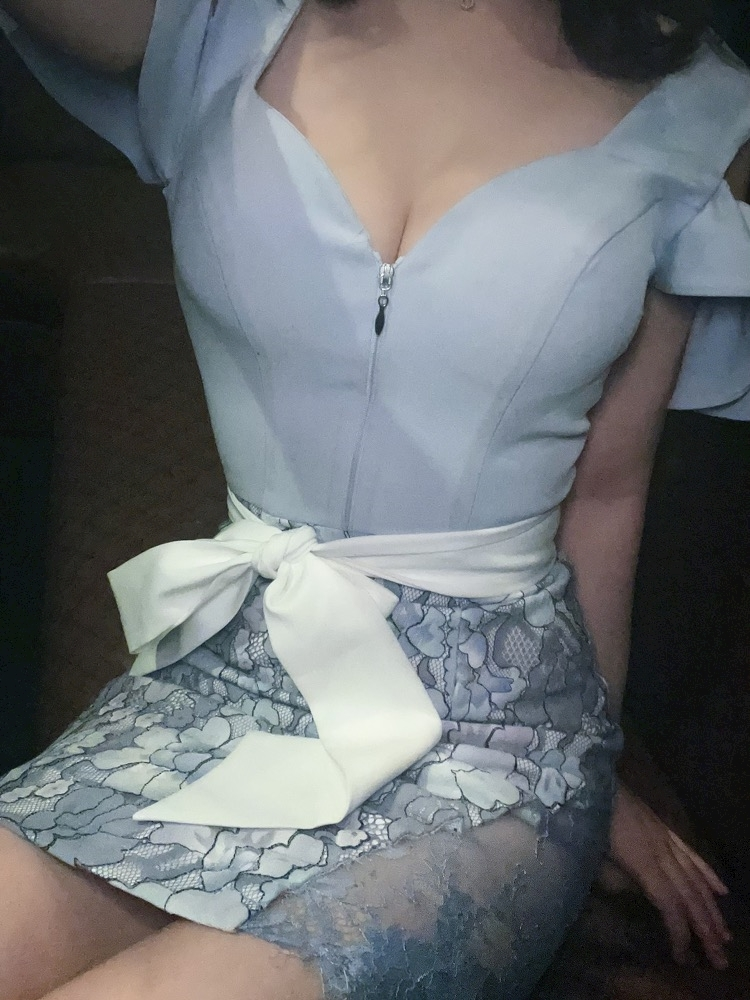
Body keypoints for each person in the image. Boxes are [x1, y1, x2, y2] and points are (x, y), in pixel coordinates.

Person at [0, 1, 748, 997]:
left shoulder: (695, 115)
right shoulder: (221, 23)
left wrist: (597, 765)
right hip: (215, 688)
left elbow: (608, 496)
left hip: (493, 745)